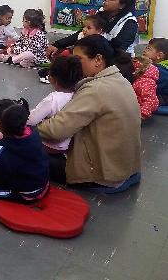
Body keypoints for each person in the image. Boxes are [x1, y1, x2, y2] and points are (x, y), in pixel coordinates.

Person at [37, 35, 141, 193]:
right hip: (124, 168)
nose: (75, 64)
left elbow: (56, 130)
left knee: (23, 151)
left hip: (102, 176)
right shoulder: (121, 79)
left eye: (79, 59)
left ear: (98, 59)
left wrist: (29, 128)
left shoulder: (96, 89)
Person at [0, 56, 83, 158]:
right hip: (64, 145)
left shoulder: (53, 99)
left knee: (13, 127)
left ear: (52, 78)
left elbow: (30, 120)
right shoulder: (78, 95)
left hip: (48, 145)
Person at [46, 0, 138, 57]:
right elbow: (82, 33)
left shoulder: (130, 23)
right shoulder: (102, 12)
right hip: (95, 54)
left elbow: (117, 51)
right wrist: (57, 45)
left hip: (116, 62)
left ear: (122, 5)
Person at [38, 14, 107, 83]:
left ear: (99, 31)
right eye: (83, 27)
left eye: (88, 28)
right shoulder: (82, 35)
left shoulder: (101, 42)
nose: (84, 29)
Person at [142, 37, 168, 106]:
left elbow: (147, 87)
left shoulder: (159, 70)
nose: (144, 50)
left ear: (159, 55)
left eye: (148, 48)